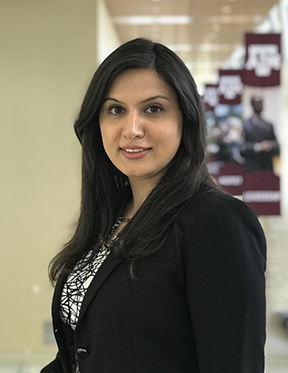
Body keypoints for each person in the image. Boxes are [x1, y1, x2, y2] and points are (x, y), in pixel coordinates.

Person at [42, 38, 266, 373]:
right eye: (116, 110)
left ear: (185, 119)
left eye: (153, 109)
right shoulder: (110, 217)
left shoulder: (218, 222)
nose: (131, 129)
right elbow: (78, 353)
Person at [242, 95, 280, 173]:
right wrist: (258, 147)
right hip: (252, 168)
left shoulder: (269, 125)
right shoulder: (245, 124)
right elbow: (242, 146)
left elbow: (277, 144)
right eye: (256, 103)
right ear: (252, 105)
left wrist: (270, 144)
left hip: (267, 168)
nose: (259, 105)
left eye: (261, 103)